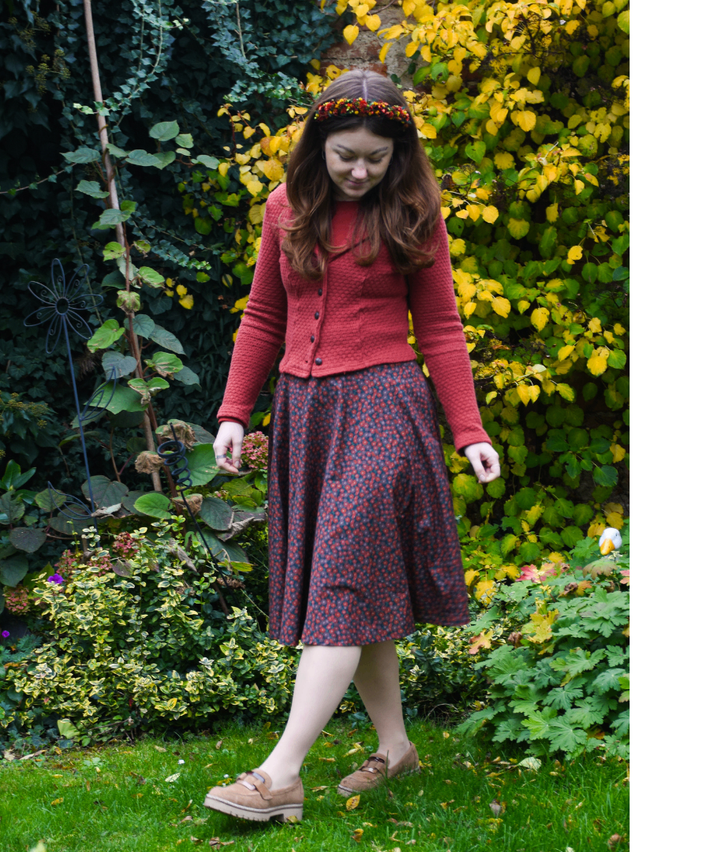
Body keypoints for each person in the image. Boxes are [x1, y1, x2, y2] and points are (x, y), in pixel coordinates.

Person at [204, 69, 501, 824]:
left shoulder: (412, 214)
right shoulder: (285, 209)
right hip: (306, 413)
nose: (361, 170)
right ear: (319, 148)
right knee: (358, 585)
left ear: (397, 155)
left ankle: (280, 776)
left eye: (375, 157)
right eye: (346, 157)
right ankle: (396, 746)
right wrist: (236, 411)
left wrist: (468, 431)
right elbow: (262, 317)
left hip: (384, 410)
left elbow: (440, 327)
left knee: (338, 584)